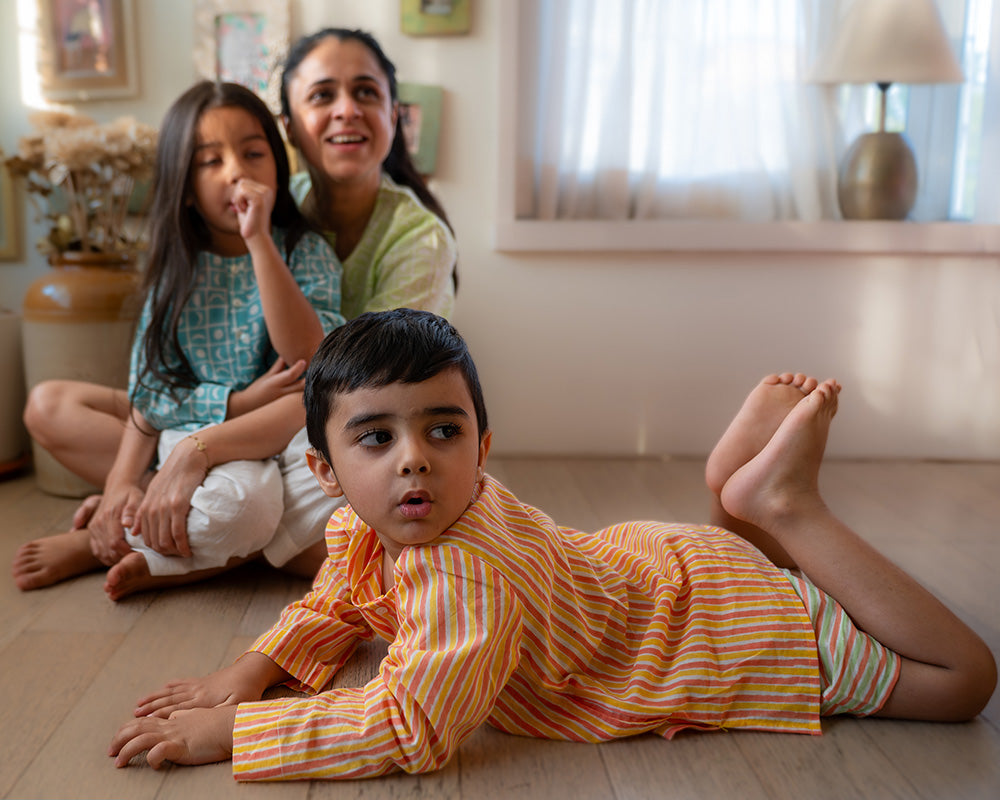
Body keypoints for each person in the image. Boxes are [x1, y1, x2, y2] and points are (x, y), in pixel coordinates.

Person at [108, 310, 996, 781]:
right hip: (662, 567)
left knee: (965, 681)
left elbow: (410, 726)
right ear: (327, 471)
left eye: (442, 431)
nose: (414, 457)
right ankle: (737, 504)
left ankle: (787, 507)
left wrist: (239, 729)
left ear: (483, 448)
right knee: (750, 567)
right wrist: (256, 667)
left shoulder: (467, 575)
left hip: (728, 637)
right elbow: (341, 596)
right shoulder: (364, 524)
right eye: (376, 438)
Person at [16, 27, 457, 597]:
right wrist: (196, 431)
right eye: (323, 95)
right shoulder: (235, 216)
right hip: (226, 410)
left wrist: (202, 448)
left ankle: (167, 532)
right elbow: (152, 388)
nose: (347, 110)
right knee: (52, 404)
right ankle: (173, 511)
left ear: (395, 115)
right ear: (291, 126)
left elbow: (335, 385)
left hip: (319, 421)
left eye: (366, 93)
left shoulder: (316, 236)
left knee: (365, 530)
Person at [12, 80, 345, 598]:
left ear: (278, 165)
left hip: (271, 440)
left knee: (256, 502)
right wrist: (230, 405)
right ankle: (154, 507)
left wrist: (258, 242)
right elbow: (151, 392)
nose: (236, 170)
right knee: (50, 403)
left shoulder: (306, 251)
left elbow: (311, 362)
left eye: (253, 153)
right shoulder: (177, 268)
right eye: (211, 161)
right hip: (186, 427)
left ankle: (123, 540)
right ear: (185, 187)